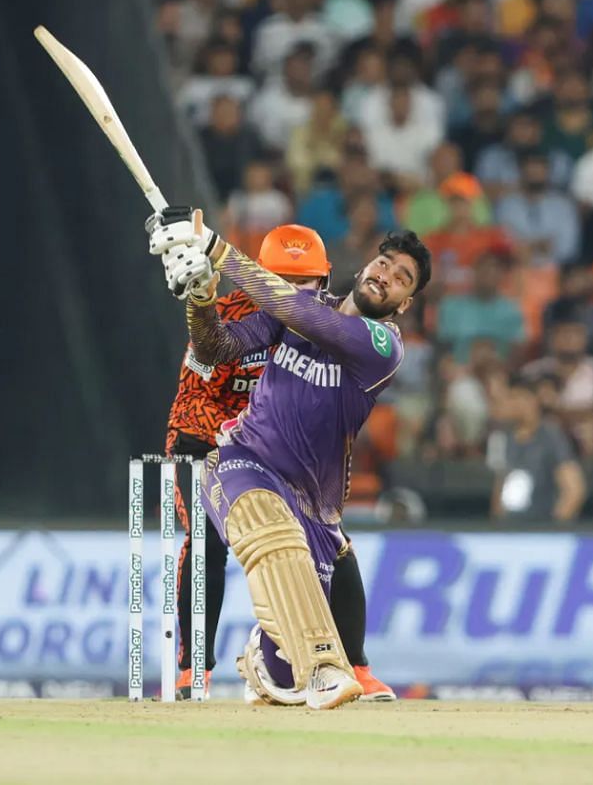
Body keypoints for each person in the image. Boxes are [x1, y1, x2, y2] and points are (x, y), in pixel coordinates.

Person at [149, 208, 431, 709]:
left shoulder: (383, 345)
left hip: (311, 499)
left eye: (400, 278)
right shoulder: (303, 305)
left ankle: (269, 660)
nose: (385, 275)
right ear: (366, 264)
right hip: (242, 458)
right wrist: (199, 296)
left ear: (405, 303)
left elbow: (305, 316)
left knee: (286, 654)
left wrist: (215, 249)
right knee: (271, 531)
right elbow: (217, 347)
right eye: (384, 263)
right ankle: (323, 666)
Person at [488, 376, 586, 523]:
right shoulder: (503, 438)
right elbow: (500, 487)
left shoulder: (551, 436)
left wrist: (554, 529)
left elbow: (574, 490)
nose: (510, 404)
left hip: (541, 526)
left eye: (515, 397)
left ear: (531, 400)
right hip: (509, 530)